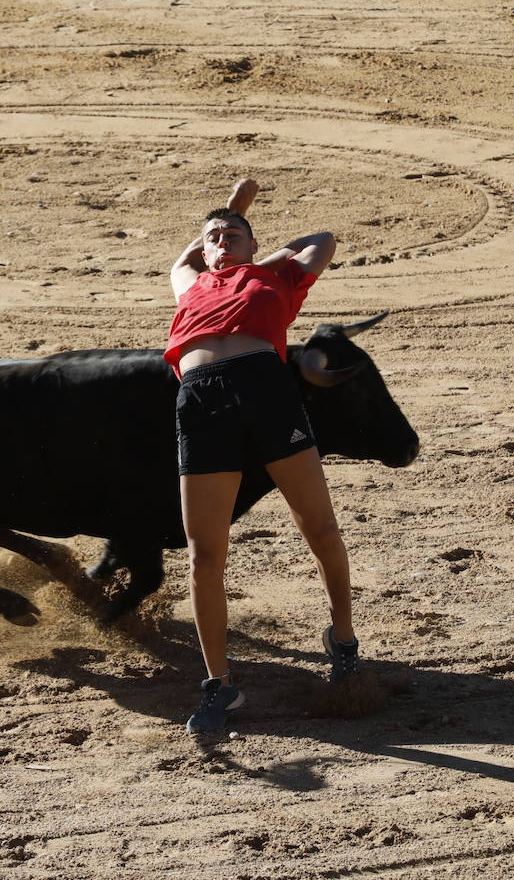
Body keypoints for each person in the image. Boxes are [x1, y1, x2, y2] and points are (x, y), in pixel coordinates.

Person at [165, 178, 361, 734]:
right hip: (201, 403)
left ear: (253, 245)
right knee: (204, 555)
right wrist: (233, 215)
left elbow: (322, 238)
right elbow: (182, 257)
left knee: (319, 528)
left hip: (266, 394)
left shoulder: (278, 277)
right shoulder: (189, 283)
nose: (221, 239)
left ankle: (342, 638)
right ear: (202, 251)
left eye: (232, 235)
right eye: (212, 237)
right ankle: (219, 686)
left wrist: (255, 257)